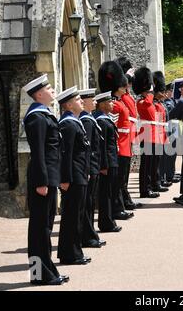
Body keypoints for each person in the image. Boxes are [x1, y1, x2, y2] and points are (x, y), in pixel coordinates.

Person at [22, 74, 68, 286]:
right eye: (49, 88)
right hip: (42, 180)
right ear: (39, 94)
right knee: (39, 230)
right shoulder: (36, 117)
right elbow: (39, 153)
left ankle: (46, 270)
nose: (53, 91)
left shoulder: (45, 115)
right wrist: (41, 182)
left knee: (45, 228)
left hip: (49, 178)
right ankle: (39, 274)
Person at [57, 86, 92, 265]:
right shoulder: (68, 124)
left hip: (79, 174)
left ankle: (73, 251)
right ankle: (70, 254)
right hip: (72, 177)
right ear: (69, 105)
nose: (81, 102)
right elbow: (66, 154)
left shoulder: (74, 122)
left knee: (76, 215)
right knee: (72, 216)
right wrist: (65, 179)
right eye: (78, 100)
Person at [98, 61, 135, 220]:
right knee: (116, 182)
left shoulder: (119, 102)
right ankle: (116, 209)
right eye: (123, 85)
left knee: (119, 181)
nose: (125, 87)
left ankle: (119, 207)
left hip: (125, 146)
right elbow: (113, 129)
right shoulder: (114, 105)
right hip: (120, 147)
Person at [78, 89, 107, 249]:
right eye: (92, 100)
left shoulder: (89, 119)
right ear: (85, 101)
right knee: (88, 203)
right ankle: (88, 236)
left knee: (90, 203)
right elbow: (88, 148)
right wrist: (89, 168)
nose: (95, 102)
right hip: (91, 166)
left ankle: (90, 234)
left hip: (93, 166)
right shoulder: (87, 120)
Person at [115, 57, 143, 209]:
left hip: (129, 137)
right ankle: (123, 199)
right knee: (121, 174)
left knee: (125, 173)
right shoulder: (121, 97)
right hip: (123, 138)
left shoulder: (127, 96)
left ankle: (125, 198)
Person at [94, 92, 123, 232]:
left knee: (110, 193)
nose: (113, 104)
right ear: (102, 104)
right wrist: (104, 165)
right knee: (106, 194)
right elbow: (102, 146)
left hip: (112, 160)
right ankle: (106, 223)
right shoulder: (101, 121)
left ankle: (110, 220)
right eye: (110, 102)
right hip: (108, 163)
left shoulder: (105, 119)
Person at [134, 67, 163, 198]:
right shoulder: (141, 101)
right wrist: (151, 91)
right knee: (146, 165)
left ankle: (149, 186)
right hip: (146, 135)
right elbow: (147, 103)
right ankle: (144, 190)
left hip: (152, 135)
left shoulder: (149, 101)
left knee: (151, 163)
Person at [153, 71, 172, 189]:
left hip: (162, 133)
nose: (164, 94)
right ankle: (158, 180)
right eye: (162, 92)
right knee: (157, 161)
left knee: (162, 159)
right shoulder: (155, 104)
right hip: (157, 134)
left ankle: (161, 179)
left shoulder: (160, 103)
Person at [161, 83, 181, 184]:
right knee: (169, 154)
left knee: (173, 154)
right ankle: (169, 174)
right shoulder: (167, 102)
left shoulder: (172, 101)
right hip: (170, 129)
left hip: (175, 128)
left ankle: (171, 172)